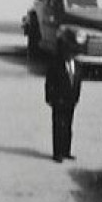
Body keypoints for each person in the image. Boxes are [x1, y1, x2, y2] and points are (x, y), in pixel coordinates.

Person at [44, 34, 84, 163]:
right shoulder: (56, 65)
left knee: (68, 126)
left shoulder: (77, 66)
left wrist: (77, 98)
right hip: (59, 100)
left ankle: (66, 151)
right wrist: (49, 98)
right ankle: (58, 153)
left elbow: (78, 83)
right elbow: (49, 83)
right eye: (67, 53)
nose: (69, 56)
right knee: (58, 126)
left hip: (71, 101)